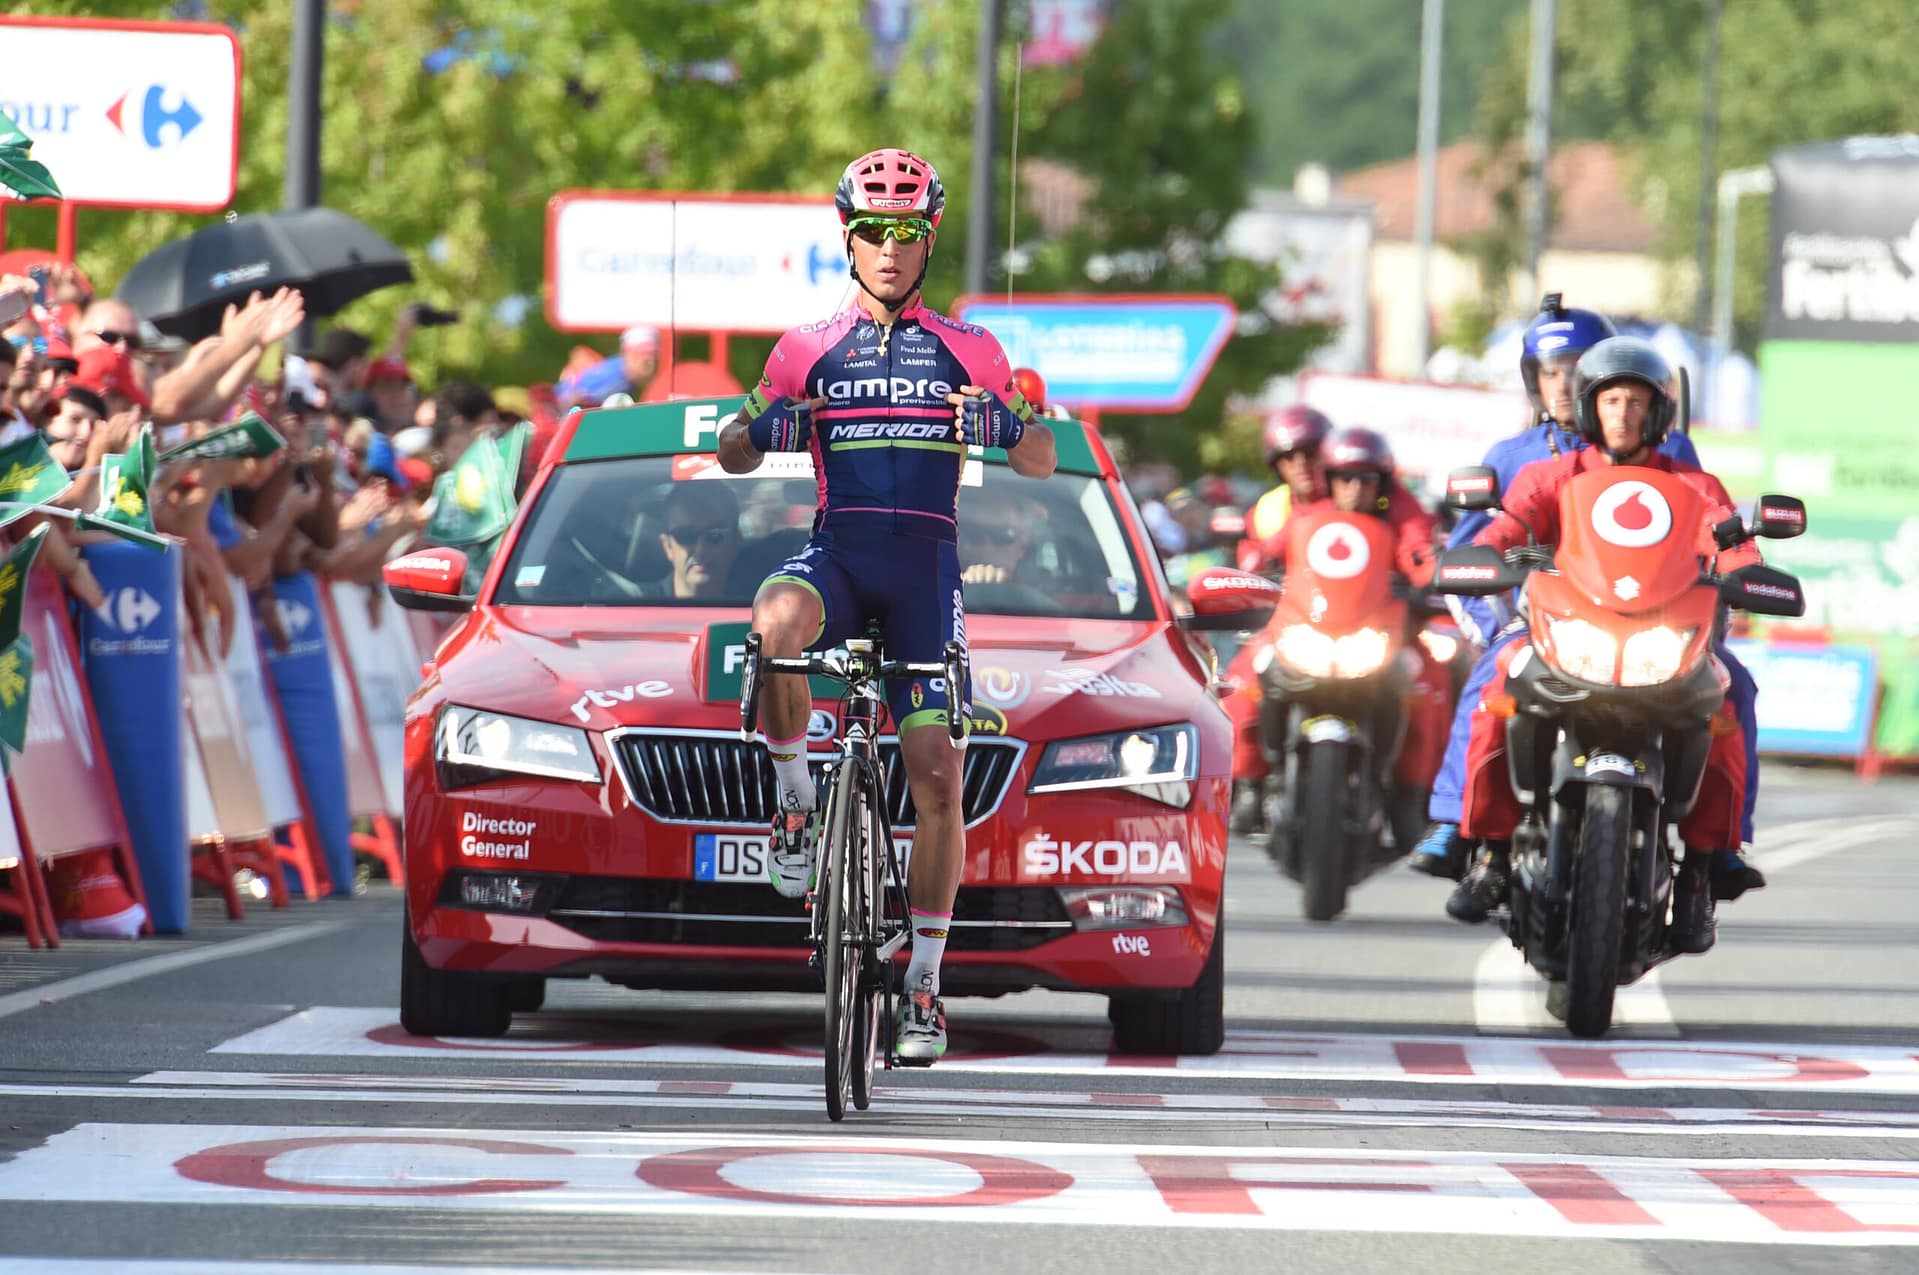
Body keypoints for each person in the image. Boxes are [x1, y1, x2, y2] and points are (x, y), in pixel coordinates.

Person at [717, 146, 1057, 1066]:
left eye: (907, 230)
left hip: (925, 571)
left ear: (928, 239)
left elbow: (1042, 459)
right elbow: (728, 446)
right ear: (848, 237)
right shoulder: (804, 346)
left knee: (935, 774)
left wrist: (1004, 426)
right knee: (774, 624)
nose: (889, 247)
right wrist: (763, 428)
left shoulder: (973, 347)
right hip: (840, 554)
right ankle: (793, 806)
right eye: (873, 229)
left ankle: (925, 987)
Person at [1408, 295, 1763, 901]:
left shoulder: (1687, 474)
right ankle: (1485, 845)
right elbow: (1503, 529)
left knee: (1733, 688)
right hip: (1557, 623)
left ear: (1659, 409)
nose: (1622, 414)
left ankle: (1715, 853)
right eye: (1609, 399)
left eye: (1636, 401)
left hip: (1663, 628)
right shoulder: (1541, 472)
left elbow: (1726, 535)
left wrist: (1747, 571)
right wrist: (1486, 560)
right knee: (1496, 677)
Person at [1246, 405, 1332, 547]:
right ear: (1277, 465)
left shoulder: (1355, 502)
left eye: (1309, 452)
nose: (1301, 464)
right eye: (1289, 457)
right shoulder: (1264, 512)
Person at [656, 480, 742, 600]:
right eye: (686, 536)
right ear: (667, 546)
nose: (701, 550)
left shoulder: (761, 608)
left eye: (715, 535)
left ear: (736, 542)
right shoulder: (634, 607)